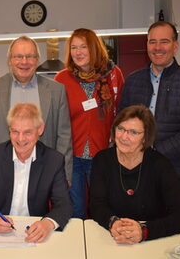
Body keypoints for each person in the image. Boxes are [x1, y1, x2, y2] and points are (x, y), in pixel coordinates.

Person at [119, 21, 180, 193]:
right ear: (146, 45)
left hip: (173, 172)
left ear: (175, 46)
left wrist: (157, 152)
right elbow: (121, 121)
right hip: (134, 171)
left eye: (164, 41)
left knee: (170, 219)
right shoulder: (132, 81)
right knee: (134, 219)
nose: (157, 47)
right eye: (152, 42)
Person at [0, 103, 72, 243]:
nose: (20, 139)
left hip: (34, 233)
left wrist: (48, 223)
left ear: (40, 129)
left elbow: (64, 204)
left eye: (27, 132)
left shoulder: (54, 160)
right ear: (9, 130)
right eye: (15, 132)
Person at [90, 105, 180, 244]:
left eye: (133, 132)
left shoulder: (160, 165)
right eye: (120, 129)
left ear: (145, 137)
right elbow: (97, 205)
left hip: (151, 242)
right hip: (111, 238)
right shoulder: (102, 160)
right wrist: (112, 222)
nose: (124, 137)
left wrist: (144, 231)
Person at [0, 36, 72, 182]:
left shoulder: (56, 90)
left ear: (37, 60)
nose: (24, 62)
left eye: (30, 56)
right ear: (10, 60)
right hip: (3, 171)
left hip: (44, 172)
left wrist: (64, 176)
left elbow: (64, 137)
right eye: (18, 56)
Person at [54, 28, 124, 218]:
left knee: (101, 208)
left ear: (93, 47)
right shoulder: (62, 79)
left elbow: (122, 113)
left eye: (83, 46)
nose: (78, 52)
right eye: (74, 47)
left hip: (102, 155)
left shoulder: (113, 75)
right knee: (75, 209)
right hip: (72, 156)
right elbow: (55, 118)